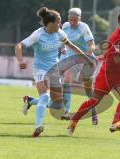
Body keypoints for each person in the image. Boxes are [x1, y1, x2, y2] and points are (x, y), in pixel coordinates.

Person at [67, 6, 120, 135]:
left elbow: (113, 53)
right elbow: (117, 60)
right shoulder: (116, 37)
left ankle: (115, 123)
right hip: (107, 74)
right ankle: (74, 120)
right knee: (94, 101)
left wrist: (103, 56)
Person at [15, 7, 93, 137]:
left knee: (57, 105)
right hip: (40, 69)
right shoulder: (38, 34)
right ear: (50, 23)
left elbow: (72, 46)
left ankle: (29, 100)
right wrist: (21, 60)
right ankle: (38, 126)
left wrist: (86, 58)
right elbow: (19, 46)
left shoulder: (60, 33)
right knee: (44, 96)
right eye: (58, 22)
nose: (61, 24)